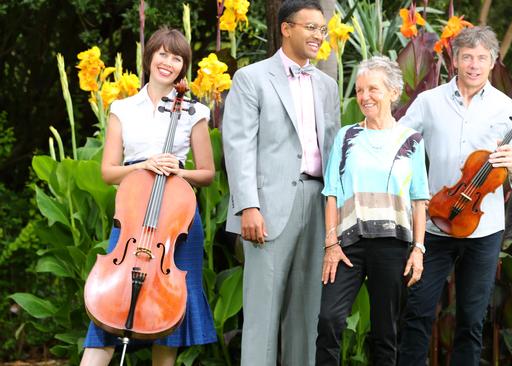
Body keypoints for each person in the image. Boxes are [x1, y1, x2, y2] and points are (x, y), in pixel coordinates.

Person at [398, 26, 512, 365]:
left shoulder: (508, 108)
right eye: (467, 57)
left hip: (483, 229)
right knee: (417, 313)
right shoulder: (428, 102)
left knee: (472, 321)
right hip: (434, 223)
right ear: (455, 60)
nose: (474, 64)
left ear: (493, 62)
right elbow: (400, 146)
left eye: (482, 58)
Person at [80, 27, 217, 366]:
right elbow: (109, 171)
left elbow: (207, 173)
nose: (168, 62)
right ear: (150, 56)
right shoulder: (123, 108)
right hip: (132, 218)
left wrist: (177, 171)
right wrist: (144, 164)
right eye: (163, 54)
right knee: (106, 315)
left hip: (176, 224)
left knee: (167, 327)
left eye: (177, 57)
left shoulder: (195, 112)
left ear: (183, 66)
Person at [221, 1, 340, 365]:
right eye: (311, 28)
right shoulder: (251, 77)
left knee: (307, 315)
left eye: (322, 29)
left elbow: (333, 148)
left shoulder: (327, 85)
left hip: (318, 203)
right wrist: (248, 206)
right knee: (262, 313)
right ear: (286, 28)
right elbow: (238, 146)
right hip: (267, 208)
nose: (319, 36)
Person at [315, 55, 429, 366]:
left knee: (385, 332)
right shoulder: (347, 136)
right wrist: (330, 244)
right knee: (329, 320)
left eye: (373, 89)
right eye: (360, 90)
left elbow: (419, 199)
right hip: (347, 245)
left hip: (393, 245)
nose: (365, 97)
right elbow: (331, 193)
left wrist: (418, 249)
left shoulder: (412, 141)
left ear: (394, 92)